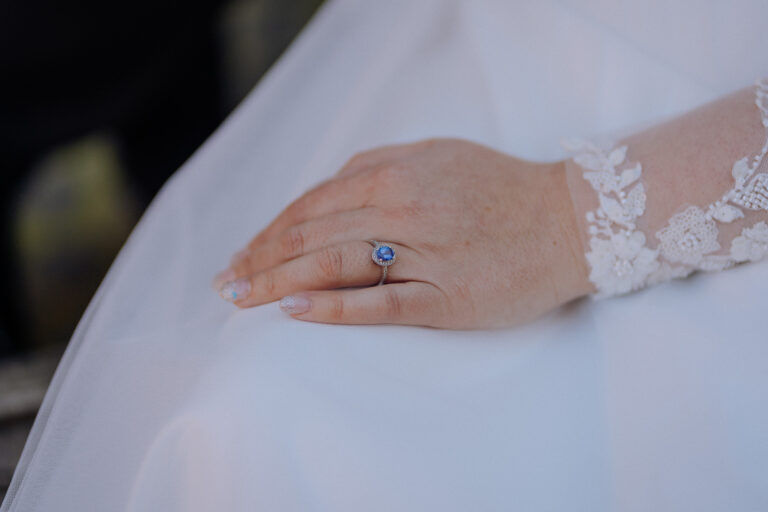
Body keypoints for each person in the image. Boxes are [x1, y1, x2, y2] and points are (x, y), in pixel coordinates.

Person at [3, 1, 767, 510]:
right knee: (246, 394)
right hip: (515, 37)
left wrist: (572, 216)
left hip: (713, 142)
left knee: (314, 435)